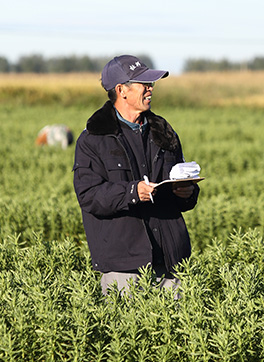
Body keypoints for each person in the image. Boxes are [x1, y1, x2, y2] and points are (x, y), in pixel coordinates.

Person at [73, 55, 200, 296]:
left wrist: (186, 192)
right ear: (121, 90)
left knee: (177, 331)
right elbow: (89, 196)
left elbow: (180, 185)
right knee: (127, 333)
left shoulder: (163, 131)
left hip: (170, 261)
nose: (150, 88)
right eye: (144, 83)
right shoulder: (93, 139)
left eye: (151, 83)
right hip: (123, 266)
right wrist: (133, 192)